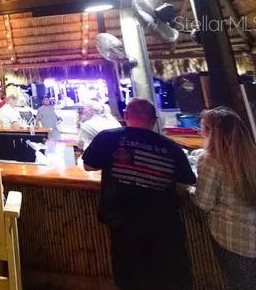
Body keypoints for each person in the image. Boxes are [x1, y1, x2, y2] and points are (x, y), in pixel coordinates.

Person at [83, 99, 196, 290]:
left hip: (122, 221)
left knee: (130, 278)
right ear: (154, 120)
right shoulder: (172, 147)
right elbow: (187, 180)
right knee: (166, 277)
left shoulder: (109, 138)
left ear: (125, 116)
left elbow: (88, 165)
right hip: (163, 224)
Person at [193, 106, 256, 290]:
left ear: (211, 132)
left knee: (239, 283)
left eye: (202, 127)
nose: (200, 132)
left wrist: (188, 189)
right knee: (255, 283)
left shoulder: (211, 160)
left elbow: (203, 203)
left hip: (232, 239)